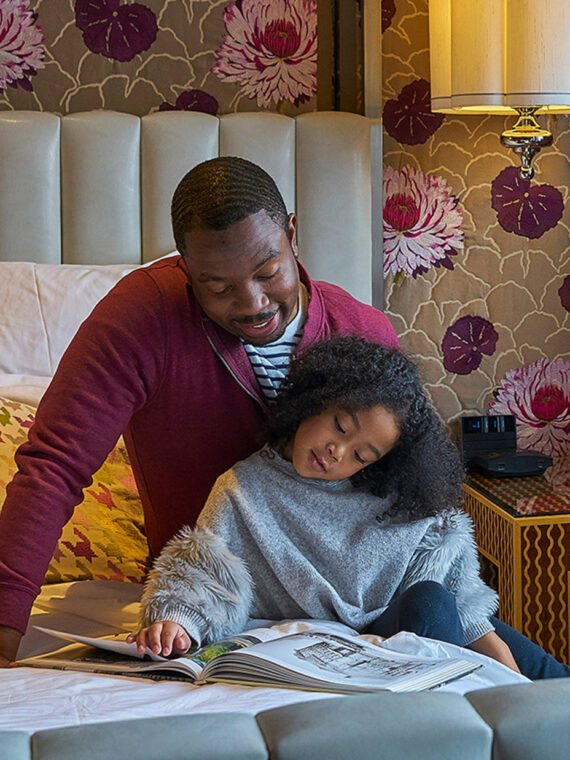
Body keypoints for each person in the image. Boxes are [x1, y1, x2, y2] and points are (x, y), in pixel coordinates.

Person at [0, 157, 399, 666]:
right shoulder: (142, 316)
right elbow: (54, 466)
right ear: (185, 268)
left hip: (348, 611)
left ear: (292, 234)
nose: (252, 302)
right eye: (219, 287)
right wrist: (5, 632)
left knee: (521, 667)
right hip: (192, 612)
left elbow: (404, 489)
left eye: (267, 271)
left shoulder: (362, 329)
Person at [131, 338, 570, 681]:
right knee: (437, 606)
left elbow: (465, 610)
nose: (337, 451)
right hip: (358, 658)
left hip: (418, 631)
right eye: (340, 425)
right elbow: (205, 577)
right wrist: (176, 622)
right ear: (316, 398)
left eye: (362, 456)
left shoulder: (390, 501)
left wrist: (513, 693)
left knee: (550, 684)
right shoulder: (242, 490)